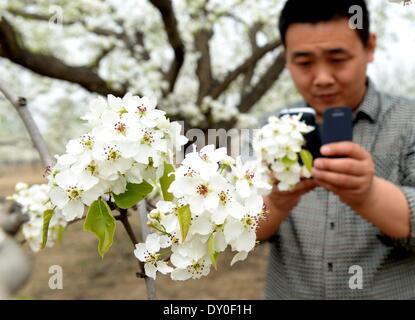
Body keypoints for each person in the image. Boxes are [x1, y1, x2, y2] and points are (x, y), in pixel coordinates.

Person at [256, 0, 415, 299]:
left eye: (338, 59)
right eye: (304, 63)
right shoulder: (271, 130)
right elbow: (247, 233)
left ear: (369, 47)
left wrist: (369, 195)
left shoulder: (410, 121)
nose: (322, 78)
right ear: (287, 59)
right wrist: (276, 204)